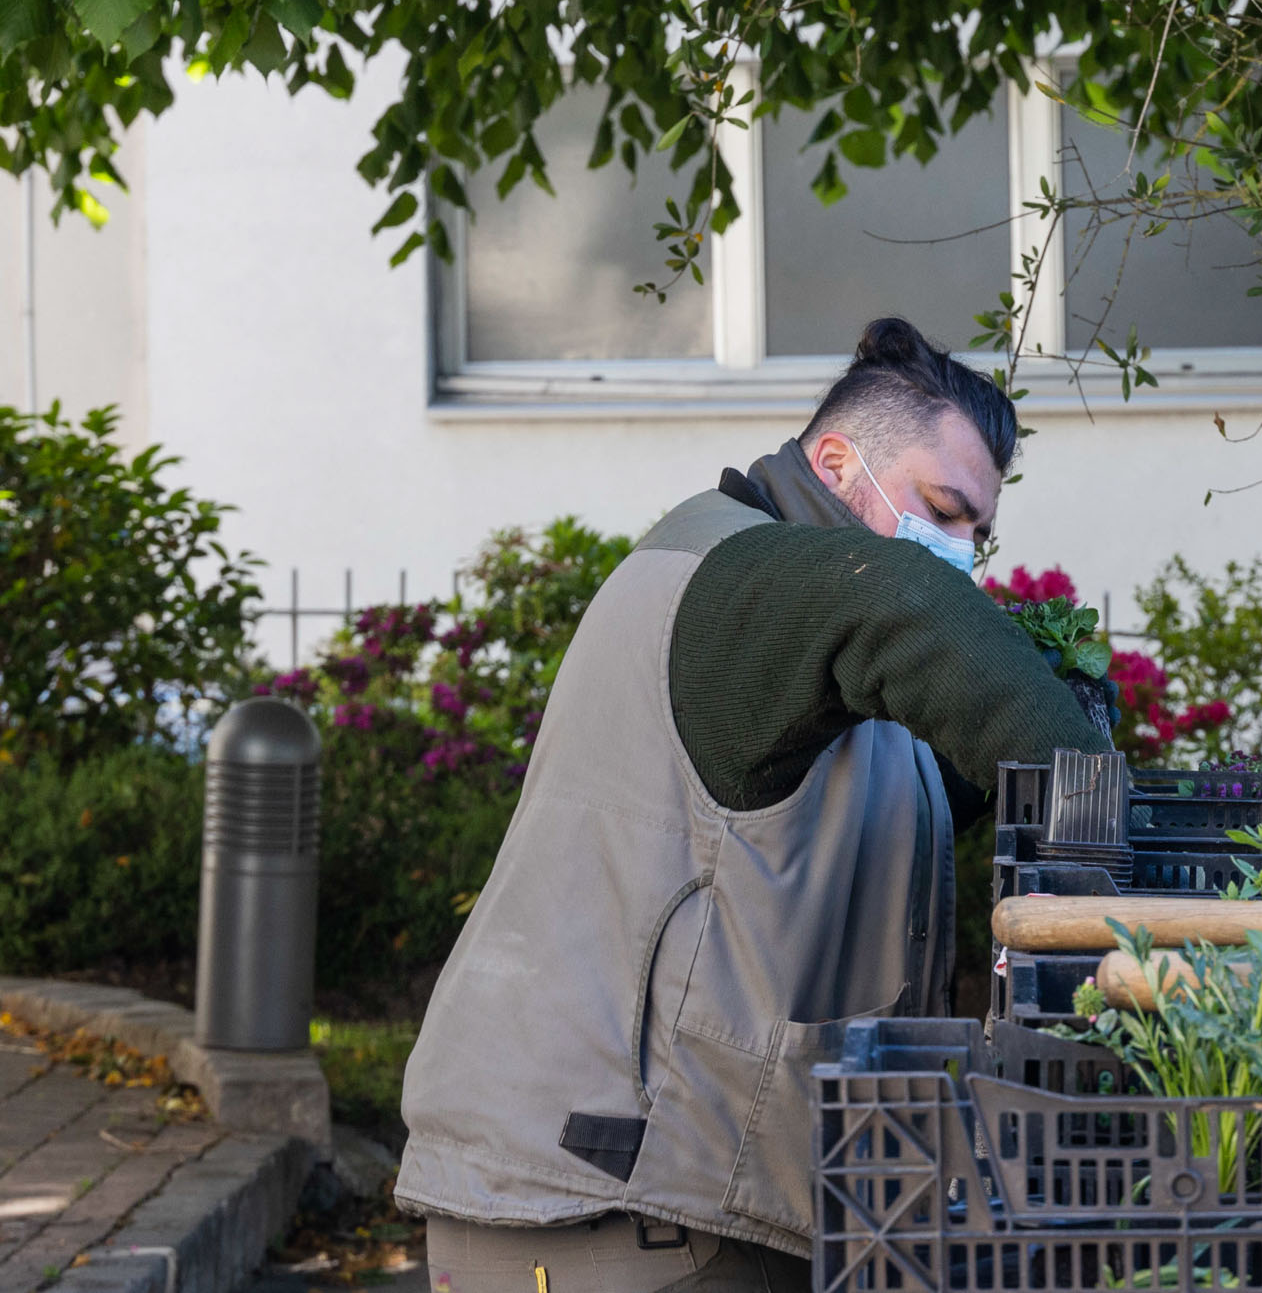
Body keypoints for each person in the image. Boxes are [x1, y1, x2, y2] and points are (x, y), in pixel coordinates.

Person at [399, 318, 1110, 1292]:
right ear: (834, 460)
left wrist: (1022, 749)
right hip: (600, 1210)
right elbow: (904, 600)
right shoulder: (729, 571)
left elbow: (850, 813)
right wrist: (1107, 816)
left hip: (676, 1200)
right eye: (941, 509)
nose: (958, 552)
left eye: (976, 533)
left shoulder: (806, 653)